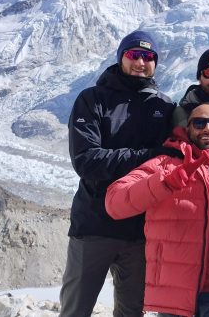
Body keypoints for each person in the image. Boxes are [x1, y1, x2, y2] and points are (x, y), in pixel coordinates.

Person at [105, 104, 209, 317]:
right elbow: (115, 202)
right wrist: (166, 181)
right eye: (199, 123)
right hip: (175, 299)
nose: (208, 128)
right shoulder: (164, 165)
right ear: (187, 129)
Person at [59, 30, 180, 317]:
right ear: (120, 58)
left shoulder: (163, 107)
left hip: (139, 233)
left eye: (148, 57)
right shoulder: (92, 100)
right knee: (75, 310)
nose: (141, 62)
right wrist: (149, 155)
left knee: (131, 312)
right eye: (134, 55)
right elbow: (87, 161)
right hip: (93, 226)